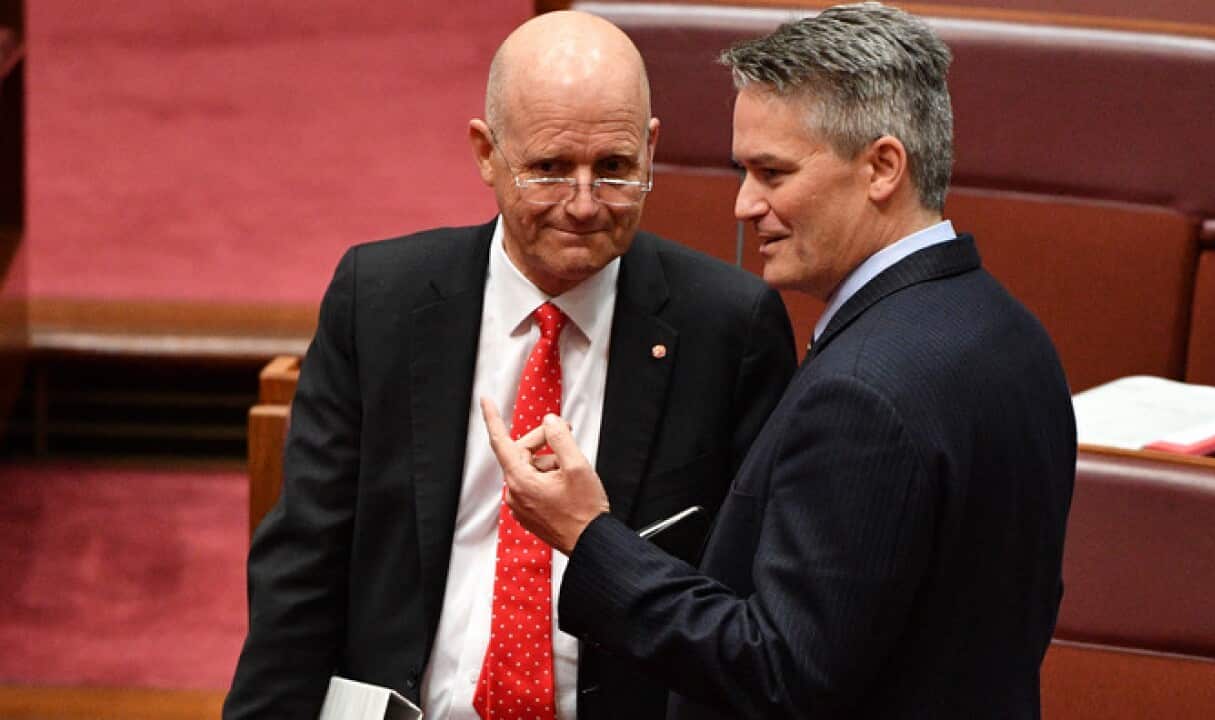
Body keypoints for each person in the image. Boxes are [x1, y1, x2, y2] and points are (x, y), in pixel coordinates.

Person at [484, 4, 1077, 718]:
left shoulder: (863, 394)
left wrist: (589, 535)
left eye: (772, 173)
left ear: (882, 167)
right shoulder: (1012, 335)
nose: (744, 205)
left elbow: (779, 672)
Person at [222, 11, 796, 720]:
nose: (583, 205)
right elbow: (300, 576)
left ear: (650, 150)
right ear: (487, 153)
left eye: (614, 169)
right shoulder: (380, 302)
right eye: (550, 170)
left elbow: (751, 609)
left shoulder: (728, 329)